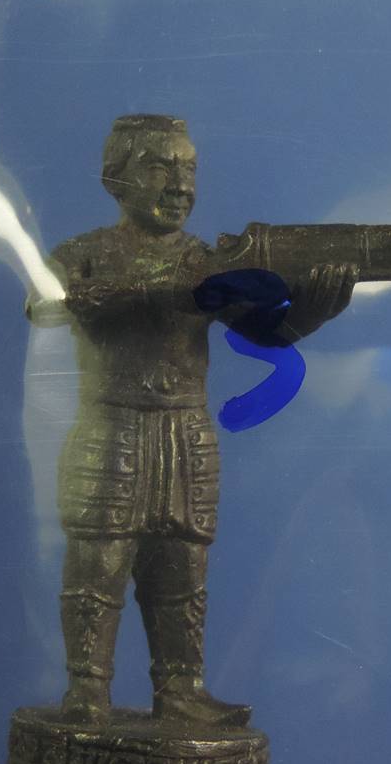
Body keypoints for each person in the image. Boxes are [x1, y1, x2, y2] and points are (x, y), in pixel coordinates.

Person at [27, 114, 355, 726]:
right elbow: (46, 303)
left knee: (182, 569)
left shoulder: (204, 262)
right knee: (99, 565)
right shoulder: (87, 254)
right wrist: (159, 289)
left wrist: (312, 313)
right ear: (115, 179)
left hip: (185, 429)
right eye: (160, 167)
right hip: (112, 426)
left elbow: (264, 331)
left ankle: (180, 688)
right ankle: (87, 690)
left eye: (189, 169)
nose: (180, 184)